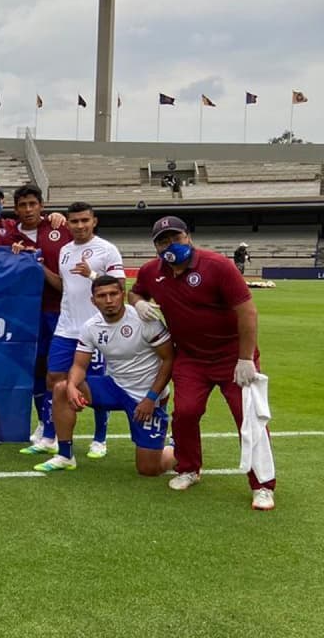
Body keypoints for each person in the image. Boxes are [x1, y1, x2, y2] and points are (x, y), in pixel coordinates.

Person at [129, 216, 276, 510]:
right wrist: (138, 302)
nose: (171, 245)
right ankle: (188, 468)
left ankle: (262, 485)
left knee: (248, 418)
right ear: (156, 247)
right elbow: (135, 290)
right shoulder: (151, 271)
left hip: (233, 357)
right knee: (185, 414)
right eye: (163, 241)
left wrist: (246, 358)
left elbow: (247, 312)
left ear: (188, 237)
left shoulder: (217, 266)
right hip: (191, 357)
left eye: (176, 238)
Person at [36, 276, 177, 477]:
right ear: (93, 301)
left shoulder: (144, 321)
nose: (109, 300)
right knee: (61, 388)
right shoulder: (91, 326)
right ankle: (65, 456)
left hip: (146, 395)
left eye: (113, 294)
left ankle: (177, 445)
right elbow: (79, 365)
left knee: (149, 469)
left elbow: (169, 360)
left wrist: (151, 398)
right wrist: (72, 387)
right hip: (115, 386)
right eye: (102, 296)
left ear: (123, 295)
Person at [47, 202, 119, 459]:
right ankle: (53, 438)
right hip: (66, 328)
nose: (80, 225)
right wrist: (39, 267)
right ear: (68, 223)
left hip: (96, 330)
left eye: (84, 220)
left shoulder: (107, 249)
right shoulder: (65, 250)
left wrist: (92, 275)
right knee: (54, 379)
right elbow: (64, 286)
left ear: (94, 221)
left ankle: (100, 439)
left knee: (94, 385)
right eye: (75, 221)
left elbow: (119, 286)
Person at [12, 186, 72, 455]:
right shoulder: (9, 235)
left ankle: (62, 430)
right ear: (16, 209)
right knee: (35, 369)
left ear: (41, 205)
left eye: (32, 204)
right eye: (23, 205)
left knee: (55, 370)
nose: (28, 209)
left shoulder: (58, 227)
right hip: (25, 313)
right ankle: (44, 424)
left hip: (57, 310)